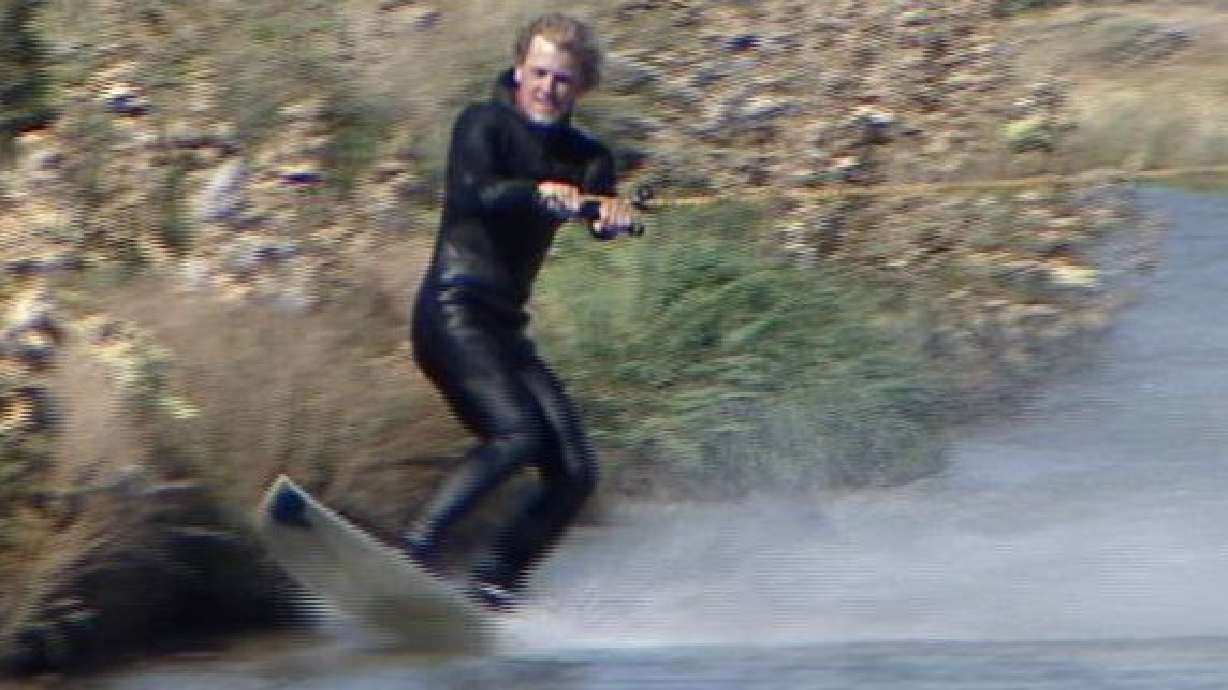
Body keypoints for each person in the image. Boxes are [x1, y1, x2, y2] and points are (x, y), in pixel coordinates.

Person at [404, 13, 637, 612]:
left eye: (563, 79)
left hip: (505, 329)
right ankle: (414, 550)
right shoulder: (481, 125)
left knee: (575, 472)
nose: (547, 88)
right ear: (518, 69)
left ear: (581, 87)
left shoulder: (588, 158)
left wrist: (613, 219)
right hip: (453, 312)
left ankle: (494, 584)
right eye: (538, 73)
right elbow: (473, 195)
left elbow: (600, 215)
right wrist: (534, 192)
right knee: (517, 433)